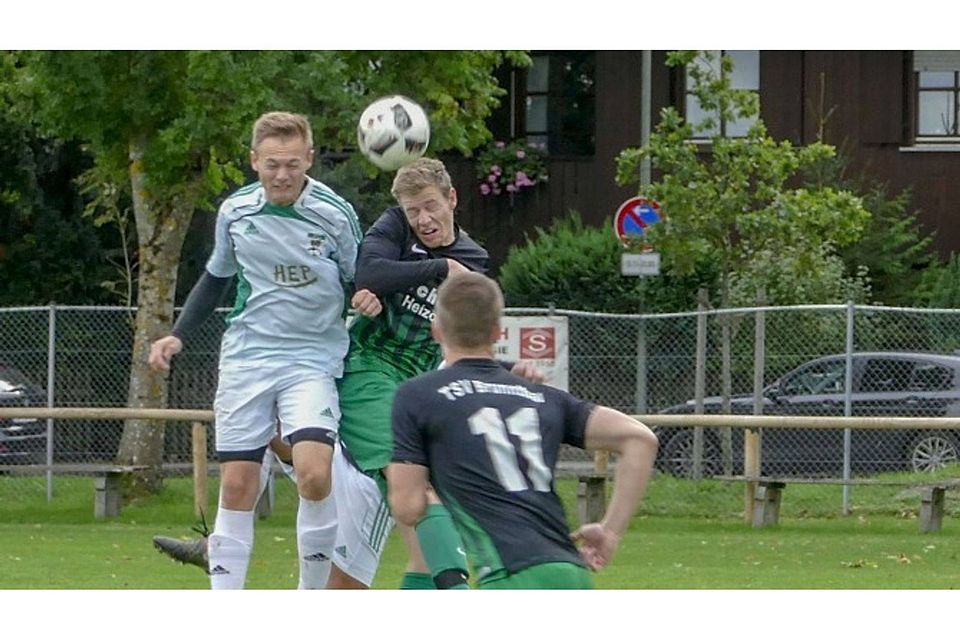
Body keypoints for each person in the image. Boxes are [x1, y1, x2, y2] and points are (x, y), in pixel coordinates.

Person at [148, 111, 368, 590]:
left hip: (313, 358)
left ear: (310, 159)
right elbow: (216, 278)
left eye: (293, 164)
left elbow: (363, 278)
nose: (282, 175)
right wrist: (176, 333)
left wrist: (367, 295)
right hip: (248, 357)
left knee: (313, 473)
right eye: (272, 164)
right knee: (237, 484)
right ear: (254, 161)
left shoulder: (335, 214)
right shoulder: (235, 212)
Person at [388, 272, 659, 588]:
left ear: (436, 331)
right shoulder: (542, 395)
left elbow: (407, 508)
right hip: (570, 572)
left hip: (509, 575)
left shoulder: (418, 395)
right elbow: (640, 439)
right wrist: (610, 531)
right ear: (497, 332)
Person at [326, 157, 493, 590]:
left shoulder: (475, 260)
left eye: (430, 206)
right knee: (413, 485)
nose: (423, 219)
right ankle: (457, 590)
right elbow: (370, 271)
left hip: (416, 390)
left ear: (452, 199)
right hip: (367, 371)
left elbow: (468, 336)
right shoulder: (395, 226)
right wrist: (438, 269)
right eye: (412, 210)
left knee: (416, 536)